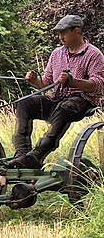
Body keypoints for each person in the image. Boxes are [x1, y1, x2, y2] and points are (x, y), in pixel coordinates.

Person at [7, 15, 104, 169]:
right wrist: (34, 81)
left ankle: (36, 156)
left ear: (77, 31)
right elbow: (46, 83)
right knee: (23, 103)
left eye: (64, 33)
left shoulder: (94, 54)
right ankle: (22, 155)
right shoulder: (57, 53)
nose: (60, 37)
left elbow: (97, 85)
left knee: (64, 107)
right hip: (56, 98)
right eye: (59, 34)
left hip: (80, 100)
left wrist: (72, 82)